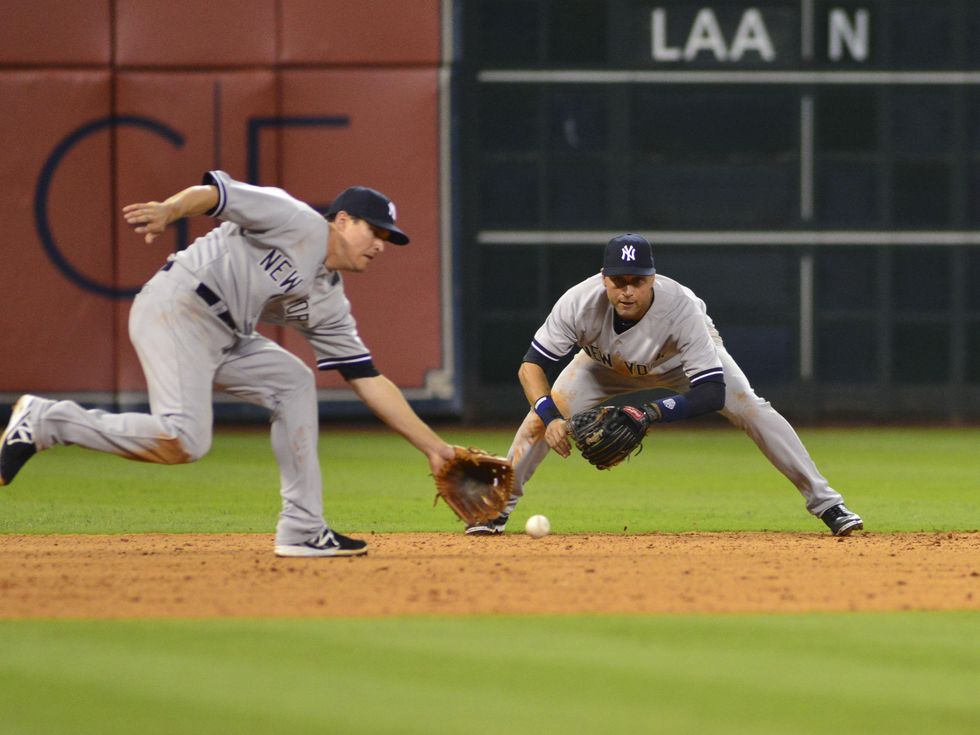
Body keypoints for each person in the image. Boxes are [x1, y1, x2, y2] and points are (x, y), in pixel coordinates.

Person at [0, 171, 455, 557]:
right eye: (374, 231)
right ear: (341, 220)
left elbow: (368, 379)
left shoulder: (328, 299)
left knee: (293, 381)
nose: (380, 244)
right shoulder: (294, 219)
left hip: (225, 334)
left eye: (388, 238)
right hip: (179, 305)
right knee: (183, 440)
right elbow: (217, 194)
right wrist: (169, 210)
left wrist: (436, 449)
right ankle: (46, 422)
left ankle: (301, 527)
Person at [466, 233, 863, 537]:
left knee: (752, 408)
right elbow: (531, 366)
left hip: (676, 363)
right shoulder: (578, 302)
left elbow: (711, 392)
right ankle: (497, 507)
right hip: (601, 365)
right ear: (604, 279)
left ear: (651, 279)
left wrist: (648, 412)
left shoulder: (680, 307)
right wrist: (550, 415)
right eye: (618, 280)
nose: (627, 290)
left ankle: (828, 505)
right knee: (539, 417)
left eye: (636, 281)